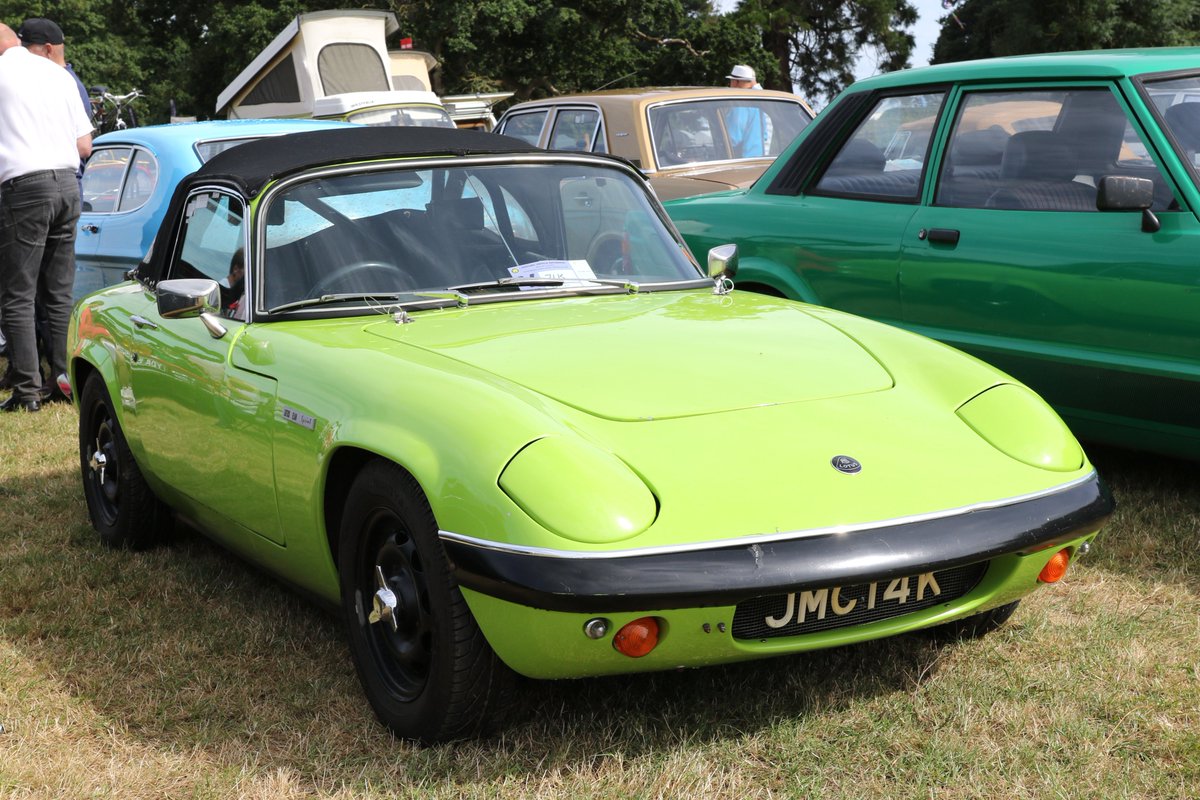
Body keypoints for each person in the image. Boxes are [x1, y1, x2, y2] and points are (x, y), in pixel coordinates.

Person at [0, 22, 93, 412]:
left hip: (23, 185)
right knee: (57, 295)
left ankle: (27, 392)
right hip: (67, 185)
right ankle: (63, 382)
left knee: (17, 296)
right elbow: (85, 146)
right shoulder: (60, 75)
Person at [724, 65, 766, 158]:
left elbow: (732, 139)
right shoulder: (764, 100)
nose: (730, 85)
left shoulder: (742, 103)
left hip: (744, 162)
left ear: (736, 82)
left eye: (731, 81)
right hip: (765, 161)